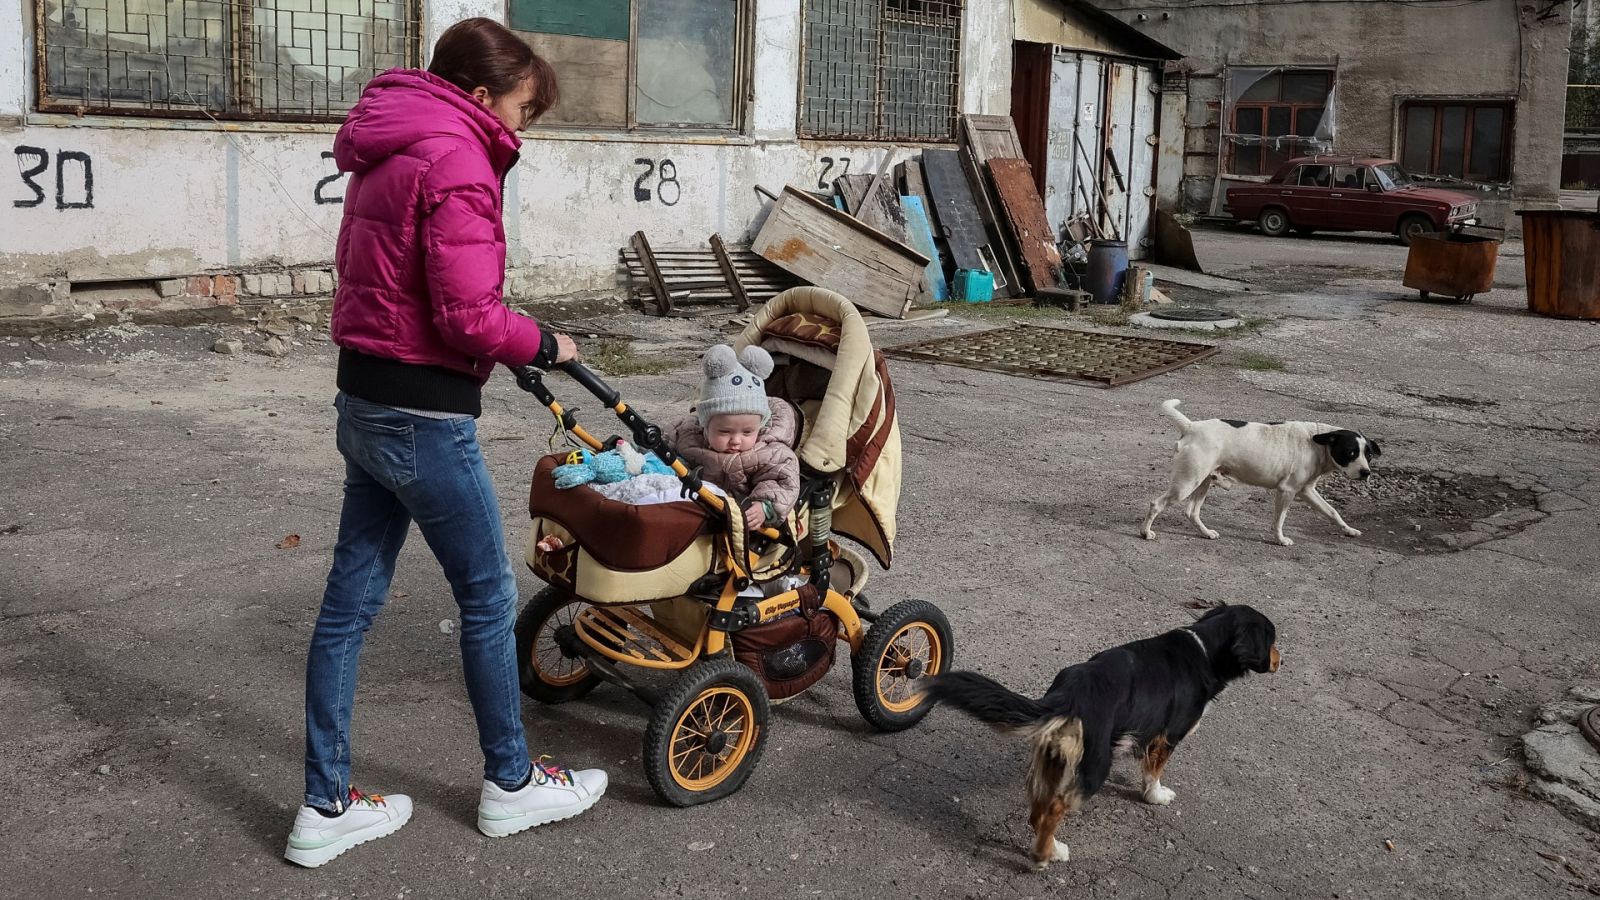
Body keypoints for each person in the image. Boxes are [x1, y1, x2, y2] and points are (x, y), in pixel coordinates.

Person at [285, 18, 605, 869]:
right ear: (479, 95)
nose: (522, 127)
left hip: (364, 396)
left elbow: (394, 283)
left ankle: (325, 805)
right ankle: (511, 782)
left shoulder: (390, 143)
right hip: (426, 415)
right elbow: (467, 312)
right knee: (490, 599)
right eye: (522, 108)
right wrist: (545, 343)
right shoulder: (458, 155)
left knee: (348, 610)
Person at [668, 345, 801, 531]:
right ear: (705, 424)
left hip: (741, 521)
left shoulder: (770, 452)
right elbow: (661, 441)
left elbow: (781, 481)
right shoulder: (690, 433)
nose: (736, 440)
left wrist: (764, 507)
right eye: (724, 432)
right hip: (693, 509)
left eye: (747, 432)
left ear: (760, 426)